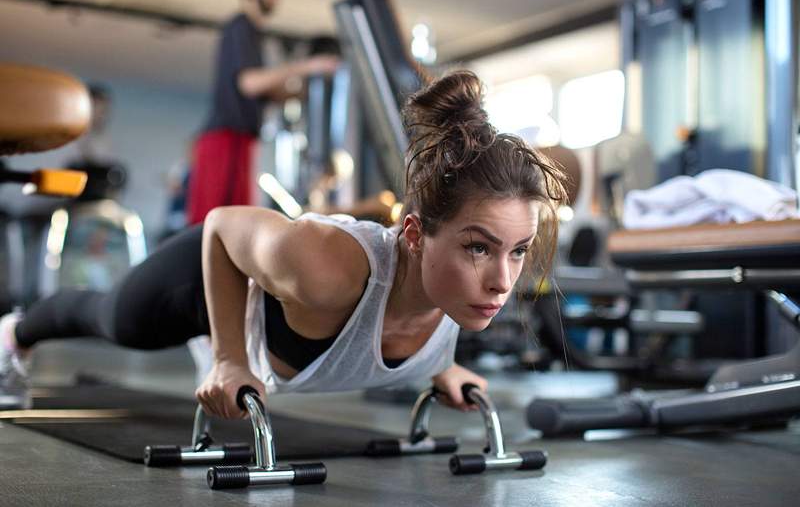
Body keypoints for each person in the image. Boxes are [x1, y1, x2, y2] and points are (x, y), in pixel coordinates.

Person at [0, 71, 567, 416]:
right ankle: (14, 332)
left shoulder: (457, 295)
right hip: (208, 277)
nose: (501, 279)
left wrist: (441, 370)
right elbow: (222, 224)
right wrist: (227, 359)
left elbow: (423, 317)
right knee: (112, 320)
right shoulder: (330, 267)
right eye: (478, 248)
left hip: (268, 304)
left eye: (517, 250)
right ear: (416, 236)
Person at [187, 0, 339, 225]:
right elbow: (249, 83)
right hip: (224, 139)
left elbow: (264, 92)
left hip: (241, 139)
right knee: (209, 227)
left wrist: (305, 90)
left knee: (233, 226)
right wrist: (309, 66)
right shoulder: (241, 25)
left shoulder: (254, 33)